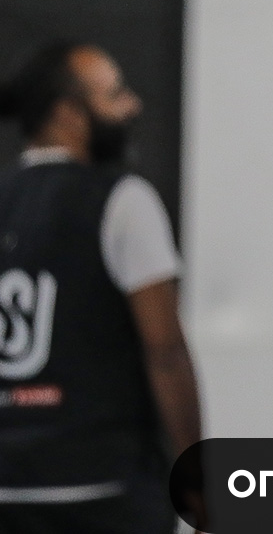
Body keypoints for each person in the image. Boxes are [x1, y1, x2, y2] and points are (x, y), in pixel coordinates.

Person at [0, 41, 201, 534]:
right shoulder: (123, 200)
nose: (133, 105)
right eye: (114, 94)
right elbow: (166, 351)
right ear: (68, 112)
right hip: (103, 488)